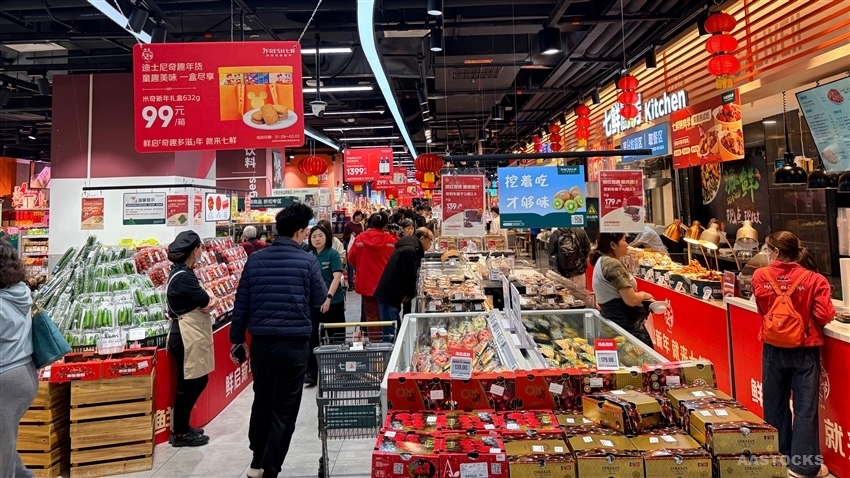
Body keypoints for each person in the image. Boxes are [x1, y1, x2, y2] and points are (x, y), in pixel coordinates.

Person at [230, 203, 328, 478]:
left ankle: (256, 461)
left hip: (262, 345)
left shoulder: (255, 260)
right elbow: (320, 299)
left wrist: (237, 339)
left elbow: (242, 303)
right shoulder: (307, 261)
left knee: (262, 400)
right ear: (299, 232)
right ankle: (271, 469)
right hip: (293, 346)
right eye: (306, 231)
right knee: (284, 409)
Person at [752, 231, 835, 478]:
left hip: (772, 348)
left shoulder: (760, 276)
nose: (767, 254)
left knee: (774, 404)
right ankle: (803, 467)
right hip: (805, 349)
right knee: (805, 408)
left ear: (776, 251)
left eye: (768, 249)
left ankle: (779, 458)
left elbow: (763, 310)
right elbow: (824, 315)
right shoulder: (815, 279)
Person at [165, 231, 217, 447]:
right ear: (195, 251)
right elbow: (205, 300)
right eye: (200, 248)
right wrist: (211, 298)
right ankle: (180, 433)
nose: (202, 252)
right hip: (186, 336)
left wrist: (210, 300)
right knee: (187, 385)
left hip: (189, 334)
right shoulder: (184, 277)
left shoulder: (182, 272)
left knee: (199, 380)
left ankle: (183, 427)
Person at [0, 241, 38, 478]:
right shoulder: (20, 292)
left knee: (2, 453)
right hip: (25, 371)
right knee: (6, 442)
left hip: (6, 378)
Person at [590, 232, 654, 347]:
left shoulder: (603, 260)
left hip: (616, 325)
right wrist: (644, 295)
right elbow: (631, 300)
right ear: (613, 245)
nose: (627, 244)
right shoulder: (612, 264)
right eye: (624, 240)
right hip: (627, 328)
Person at [305, 222, 345, 387]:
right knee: (312, 338)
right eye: (313, 236)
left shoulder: (332, 254)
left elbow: (336, 277)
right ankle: (312, 373)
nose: (317, 239)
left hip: (333, 302)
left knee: (336, 337)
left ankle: (340, 371)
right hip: (314, 304)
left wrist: (328, 297)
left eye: (320, 235)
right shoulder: (308, 256)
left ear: (327, 237)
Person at [374, 228, 434, 338]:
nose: (431, 244)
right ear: (422, 238)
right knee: (390, 333)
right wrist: (409, 294)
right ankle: (390, 348)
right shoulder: (410, 250)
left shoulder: (410, 247)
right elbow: (408, 275)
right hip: (389, 295)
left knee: (395, 329)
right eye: (430, 240)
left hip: (392, 293)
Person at [348, 212, 397, 323]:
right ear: (384, 225)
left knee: (371, 315)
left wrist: (361, 267)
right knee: (386, 314)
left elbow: (351, 257)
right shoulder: (390, 240)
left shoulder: (360, 238)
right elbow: (395, 261)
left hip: (366, 282)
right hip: (385, 283)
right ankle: (387, 334)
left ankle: (374, 334)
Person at [343, 211, 364, 289]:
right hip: (351, 246)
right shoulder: (349, 225)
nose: (359, 218)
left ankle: (358, 282)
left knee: (359, 265)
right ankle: (351, 283)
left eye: (360, 216)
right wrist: (350, 236)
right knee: (350, 265)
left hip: (359, 247)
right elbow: (344, 237)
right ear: (354, 216)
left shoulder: (362, 225)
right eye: (357, 216)